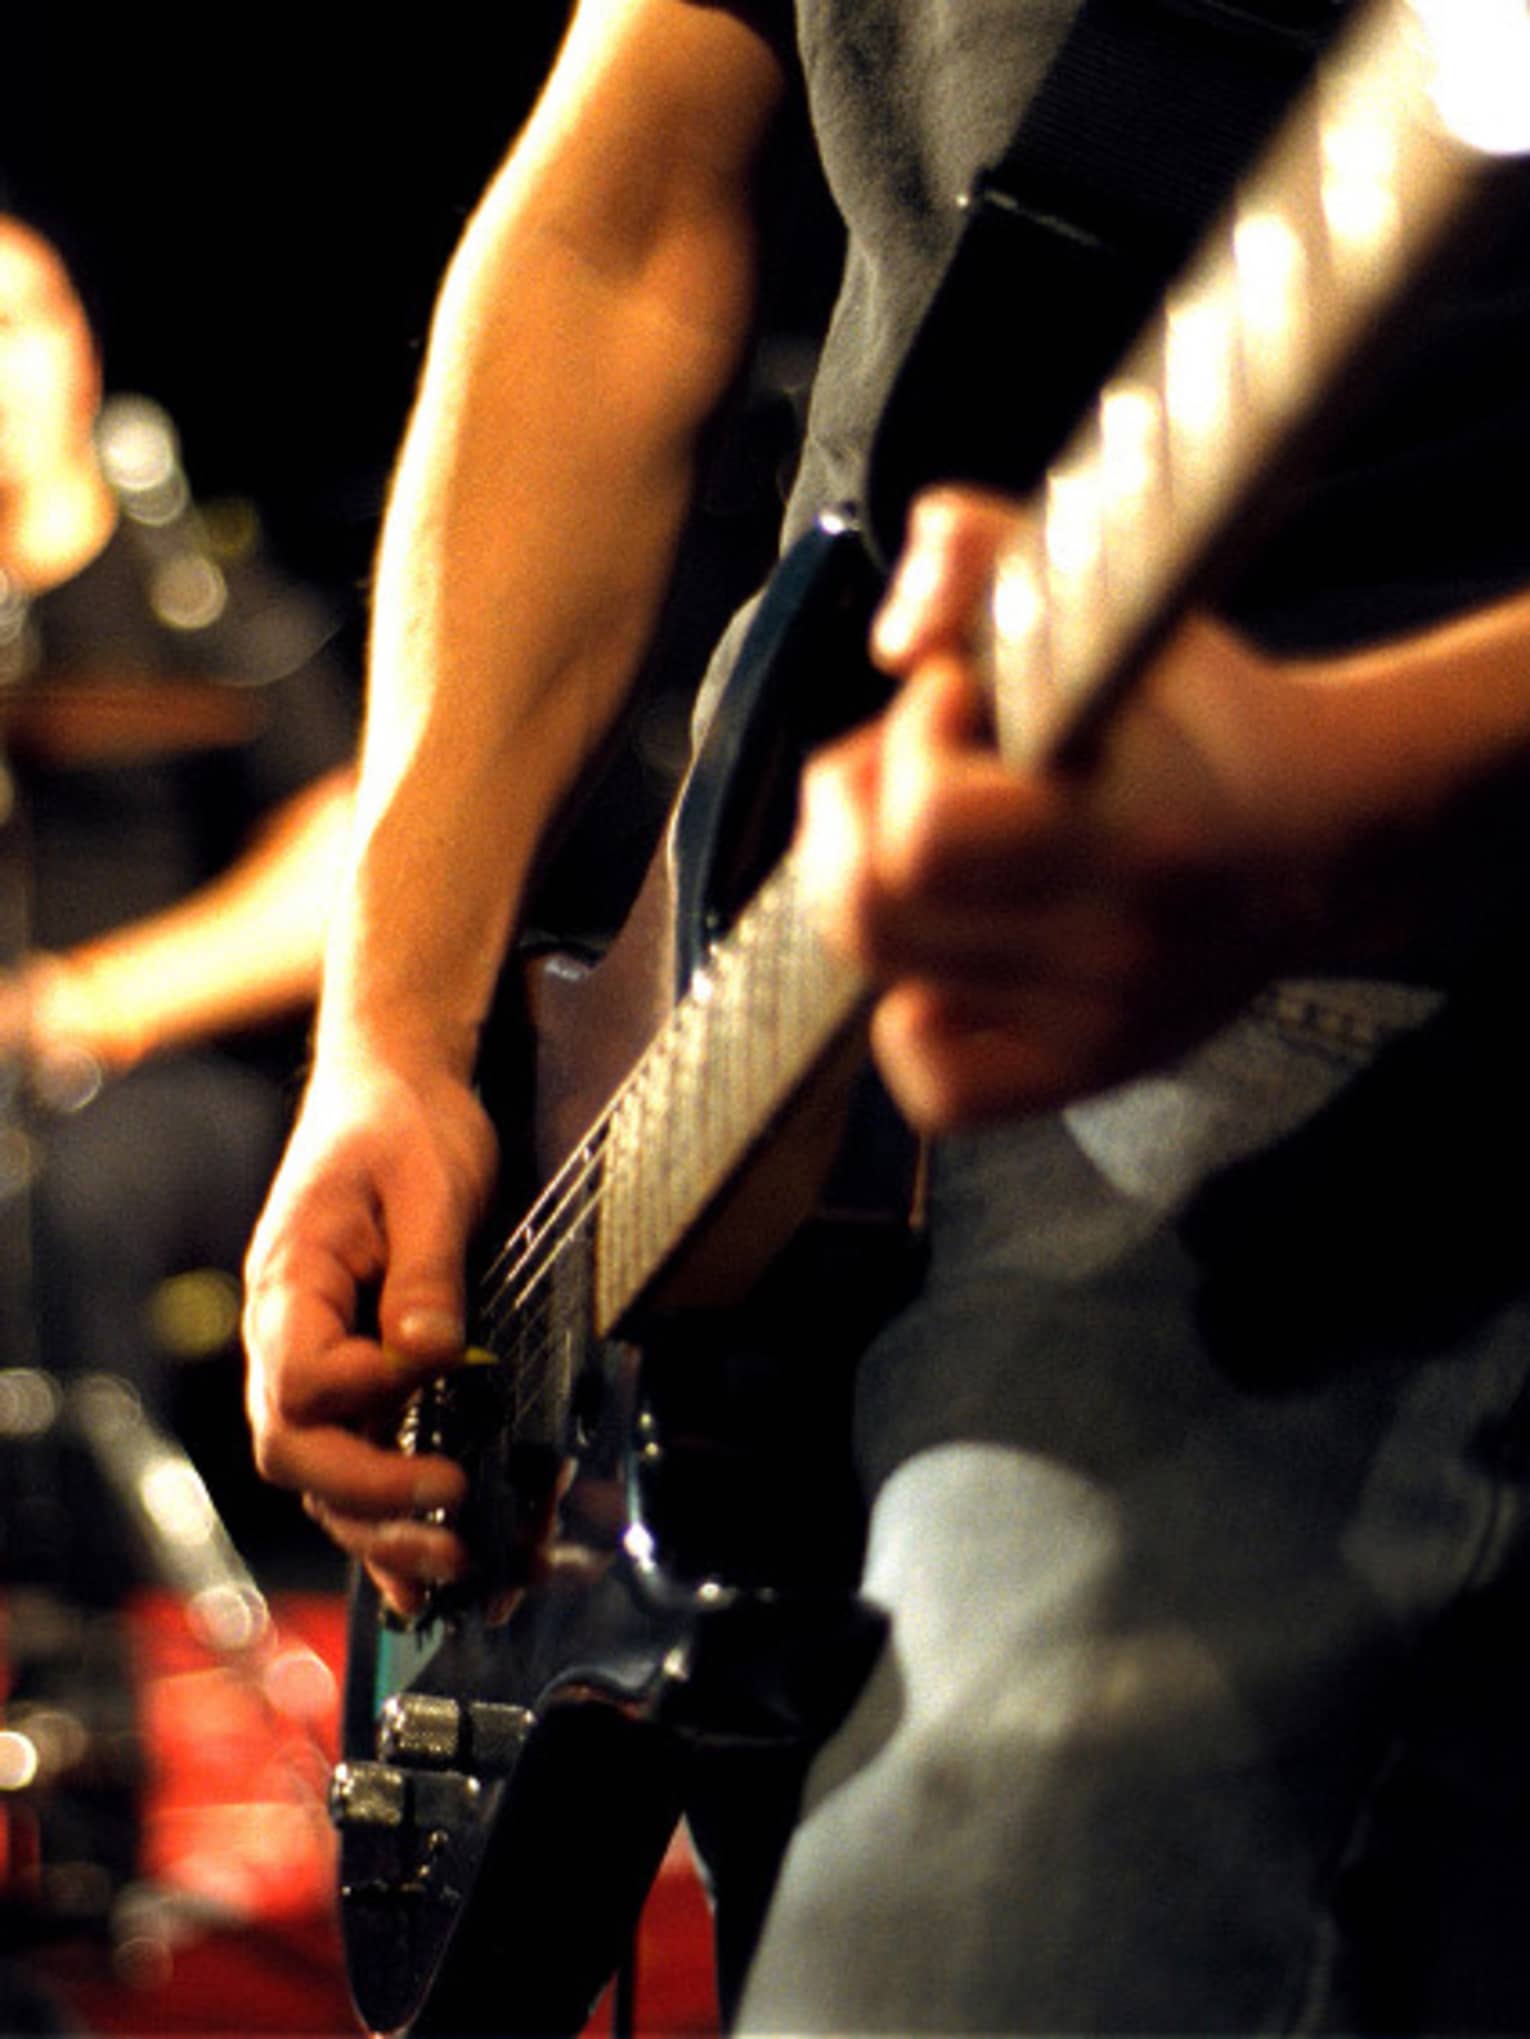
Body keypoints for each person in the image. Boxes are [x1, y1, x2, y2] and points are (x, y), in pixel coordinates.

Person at [243, 1, 1530, 2029]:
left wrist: (1340, 791)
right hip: (778, 965)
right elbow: (617, 219)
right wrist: (391, 1030)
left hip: (1371, 990)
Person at [0, 213, 354, 1538]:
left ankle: (98, 1607)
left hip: (167, 1082)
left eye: (8, 326)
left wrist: (83, 1002)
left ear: (77, 352)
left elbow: (335, 871)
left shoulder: (198, 599)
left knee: (62, 1197)